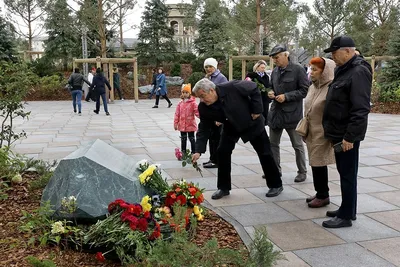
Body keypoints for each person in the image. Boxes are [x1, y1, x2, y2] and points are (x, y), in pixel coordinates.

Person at [192, 78, 283, 200]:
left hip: (252, 123)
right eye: (199, 97)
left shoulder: (232, 87)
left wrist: (257, 110)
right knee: (222, 152)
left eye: (203, 96)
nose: (202, 100)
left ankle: (276, 184)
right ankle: (223, 188)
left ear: (212, 90)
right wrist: (198, 150)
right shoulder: (204, 107)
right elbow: (203, 128)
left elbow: (254, 88)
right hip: (231, 127)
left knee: (265, 153)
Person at [321, 36, 372, 228]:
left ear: (349, 51)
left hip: (346, 135)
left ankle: (346, 216)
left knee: (348, 174)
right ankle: (347, 209)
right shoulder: (344, 70)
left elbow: (360, 108)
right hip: (338, 132)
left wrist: (350, 136)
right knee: (344, 173)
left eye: (335, 52)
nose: (333, 56)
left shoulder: (358, 71)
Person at [268, 44, 309, 182]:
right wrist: (270, 92)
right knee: (273, 145)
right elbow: (270, 86)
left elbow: (304, 90)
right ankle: (275, 170)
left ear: (286, 55)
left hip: (292, 115)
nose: (275, 60)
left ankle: (302, 172)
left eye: (277, 57)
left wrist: (286, 96)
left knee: (297, 145)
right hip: (276, 114)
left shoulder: (298, 70)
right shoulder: (274, 71)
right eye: (273, 58)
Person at [299, 57, 336, 208]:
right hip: (311, 130)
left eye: (315, 70)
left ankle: (323, 195)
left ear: (325, 72)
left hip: (323, 131)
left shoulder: (331, 88)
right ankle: (320, 191)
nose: (311, 72)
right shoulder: (313, 87)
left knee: (319, 162)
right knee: (314, 162)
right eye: (310, 69)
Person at [202, 58, 228, 169]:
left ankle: (217, 160)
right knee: (211, 137)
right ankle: (212, 158)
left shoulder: (221, 78)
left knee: (217, 138)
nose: (208, 69)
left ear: (215, 67)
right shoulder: (207, 77)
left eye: (210, 66)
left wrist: (221, 117)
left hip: (218, 112)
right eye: (206, 67)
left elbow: (225, 96)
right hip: (210, 112)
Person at [174, 84, 199, 153]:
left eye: (186, 92)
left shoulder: (193, 103)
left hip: (190, 124)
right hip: (182, 124)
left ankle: (193, 151)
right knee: (183, 138)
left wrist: (202, 117)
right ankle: (183, 151)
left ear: (189, 93)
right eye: (183, 92)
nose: (185, 94)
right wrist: (175, 123)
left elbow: (197, 112)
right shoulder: (180, 103)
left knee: (192, 138)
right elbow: (177, 114)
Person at [245, 60, 272, 126]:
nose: (263, 69)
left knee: (264, 113)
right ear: (257, 67)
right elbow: (246, 84)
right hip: (254, 97)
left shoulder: (266, 76)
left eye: (264, 68)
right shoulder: (251, 75)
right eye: (262, 67)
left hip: (264, 98)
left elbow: (267, 86)